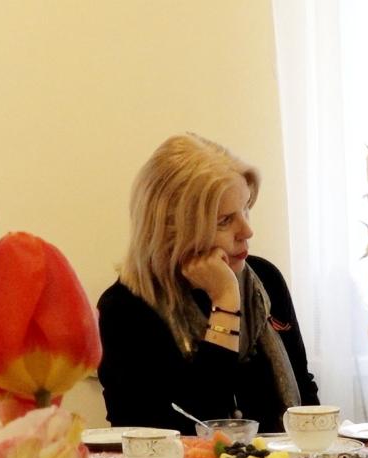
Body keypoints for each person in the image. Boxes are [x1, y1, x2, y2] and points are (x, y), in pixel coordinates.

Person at [97, 133, 318, 434]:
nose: (247, 230)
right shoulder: (125, 309)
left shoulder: (265, 279)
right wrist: (225, 302)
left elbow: (305, 398)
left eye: (246, 208)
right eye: (224, 220)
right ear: (172, 230)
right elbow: (182, 429)